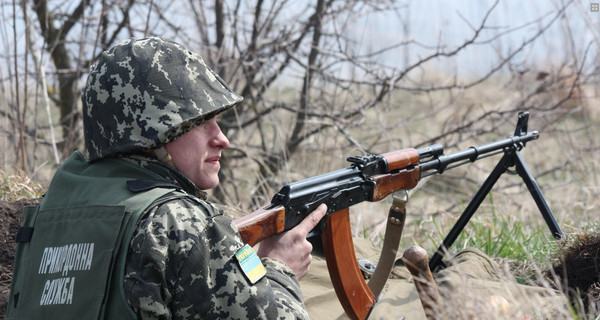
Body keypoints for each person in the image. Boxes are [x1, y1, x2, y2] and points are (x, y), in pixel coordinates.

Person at [6, 37, 327, 320]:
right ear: (152, 133)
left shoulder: (54, 210)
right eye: (201, 122)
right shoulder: (181, 220)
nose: (221, 138)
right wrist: (280, 269)